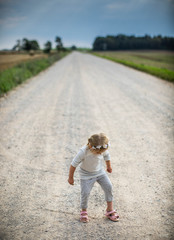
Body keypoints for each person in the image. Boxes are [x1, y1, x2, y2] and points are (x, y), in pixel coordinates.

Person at [68, 133, 119, 223]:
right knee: (85, 192)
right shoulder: (83, 152)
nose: (100, 153)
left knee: (109, 187)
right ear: (91, 146)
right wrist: (70, 178)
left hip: (100, 172)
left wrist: (108, 166)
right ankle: (84, 211)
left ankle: (109, 210)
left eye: (101, 152)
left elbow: (107, 156)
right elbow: (73, 164)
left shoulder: (102, 148)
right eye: (98, 152)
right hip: (86, 175)